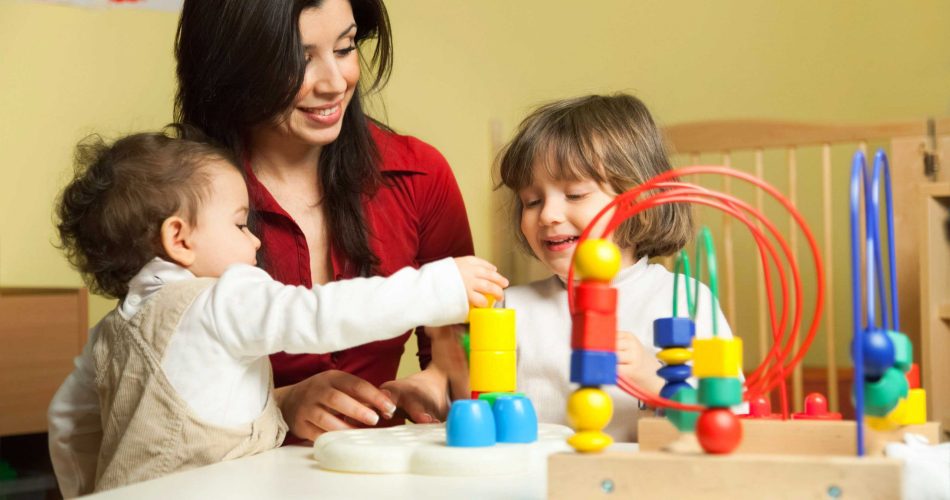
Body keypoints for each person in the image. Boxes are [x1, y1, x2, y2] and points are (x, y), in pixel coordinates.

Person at [48, 130, 507, 494]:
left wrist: (91, 490)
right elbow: (319, 315)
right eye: (239, 224)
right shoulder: (225, 299)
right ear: (179, 238)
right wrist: (439, 286)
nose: (255, 240)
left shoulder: (112, 330)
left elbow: (68, 423)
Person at [172, 0, 475, 440]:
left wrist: (433, 382)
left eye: (345, 47)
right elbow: (153, 387)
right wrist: (278, 405)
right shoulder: (173, 197)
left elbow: (463, 339)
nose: (335, 83)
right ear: (233, 61)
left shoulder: (419, 174)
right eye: (299, 58)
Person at [495, 93, 733, 441]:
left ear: (638, 199)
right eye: (532, 201)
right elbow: (476, 402)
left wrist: (652, 377)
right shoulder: (510, 307)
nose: (547, 215)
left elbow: (723, 418)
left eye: (574, 194)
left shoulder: (685, 300)